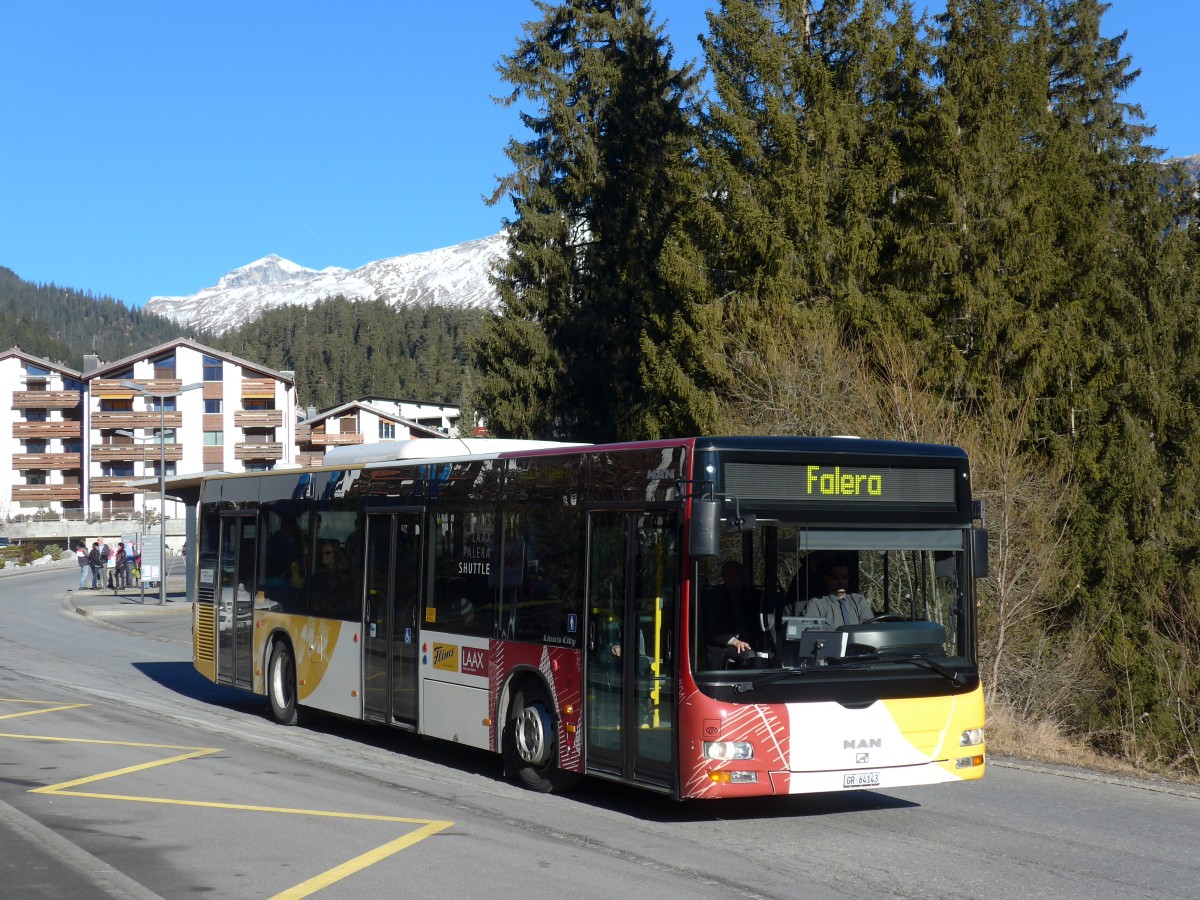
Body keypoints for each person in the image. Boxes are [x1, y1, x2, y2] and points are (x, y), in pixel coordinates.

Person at [704, 559, 771, 668]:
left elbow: (761, 621)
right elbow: (714, 628)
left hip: (751, 641)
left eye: (736, 576)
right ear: (724, 578)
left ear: (742, 577)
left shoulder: (753, 596)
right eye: (728, 577)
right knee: (749, 656)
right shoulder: (715, 598)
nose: (732, 580)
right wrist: (735, 641)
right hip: (724, 645)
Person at [800, 556, 873, 628]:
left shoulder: (859, 601)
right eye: (836, 578)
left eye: (845, 578)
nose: (841, 582)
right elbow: (810, 634)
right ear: (826, 578)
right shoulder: (817, 604)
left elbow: (870, 628)